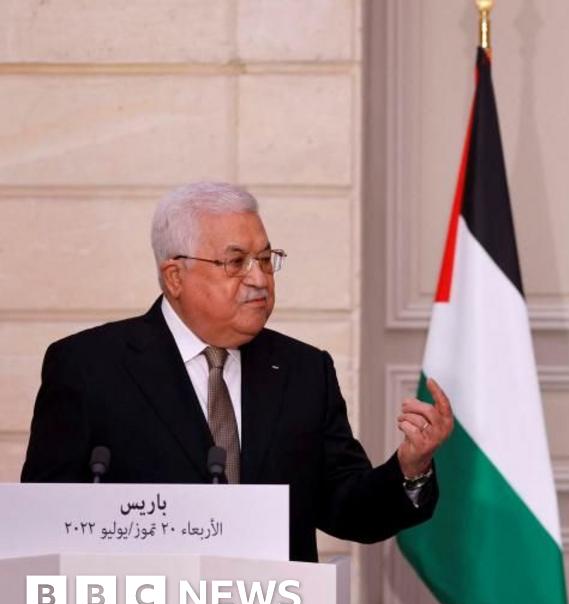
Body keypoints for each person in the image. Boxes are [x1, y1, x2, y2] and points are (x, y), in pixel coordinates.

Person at [22, 182, 453, 563]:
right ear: (175, 277)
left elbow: (348, 509)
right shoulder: (89, 368)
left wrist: (410, 466)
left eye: (265, 260)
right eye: (236, 262)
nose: (259, 279)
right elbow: (44, 521)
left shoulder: (303, 371)